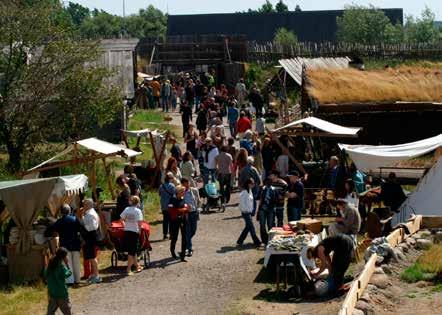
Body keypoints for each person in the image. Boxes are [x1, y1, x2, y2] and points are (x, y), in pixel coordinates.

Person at [51, 204, 81, 285]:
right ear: (69, 211)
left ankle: (70, 281)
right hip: (75, 243)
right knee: (76, 263)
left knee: (68, 264)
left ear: (61, 212)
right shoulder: (75, 219)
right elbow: (80, 230)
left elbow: (54, 231)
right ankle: (77, 279)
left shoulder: (59, 221)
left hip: (65, 245)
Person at [78, 199, 101, 283]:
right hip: (90, 238)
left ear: (88, 205)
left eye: (84, 204)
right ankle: (94, 275)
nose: (83, 206)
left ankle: (97, 276)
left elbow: (91, 228)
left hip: (91, 238)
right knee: (91, 257)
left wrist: (81, 221)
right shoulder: (89, 213)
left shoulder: (90, 214)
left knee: (92, 257)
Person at [120, 196, 144, 275]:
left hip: (127, 231)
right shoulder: (138, 211)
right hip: (134, 231)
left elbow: (121, 219)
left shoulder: (127, 209)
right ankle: (128, 269)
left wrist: (125, 225)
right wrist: (140, 231)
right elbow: (140, 223)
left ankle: (137, 265)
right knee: (131, 251)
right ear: (138, 203)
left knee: (133, 250)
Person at [45, 247, 73, 315]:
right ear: (63, 257)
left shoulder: (50, 265)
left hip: (52, 292)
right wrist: (67, 265)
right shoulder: (60, 266)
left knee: (50, 312)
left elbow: (45, 275)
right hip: (61, 293)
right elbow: (67, 274)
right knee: (67, 311)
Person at [237, 178, 261, 247]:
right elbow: (241, 203)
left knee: (248, 227)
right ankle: (257, 242)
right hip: (245, 212)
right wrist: (246, 210)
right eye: (252, 184)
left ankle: (240, 240)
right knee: (251, 228)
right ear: (248, 184)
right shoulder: (244, 193)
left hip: (248, 212)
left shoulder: (249, 191)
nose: (253, 185)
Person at [168, 185, 189, 261]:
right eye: (183, 192)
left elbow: (186, 208)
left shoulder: (183, 198)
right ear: (179, 192)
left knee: (184, 237)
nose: (184, 193)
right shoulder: (172, 199)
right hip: (174, 221)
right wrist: (182, 210)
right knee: (175, 237)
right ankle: (172, 251)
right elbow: (171, 210)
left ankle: (183, 256)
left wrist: (184, 209)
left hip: (183, 220)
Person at [181, 178, 200, 257]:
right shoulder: (181, 192)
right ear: (182, 184)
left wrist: (198, 208)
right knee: (188, 231)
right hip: (186, 214)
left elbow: (198, 200)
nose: (187, 184)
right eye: (185, 183)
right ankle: (189, 249)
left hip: (194, 212)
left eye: (188, 183)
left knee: (194, 230)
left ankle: (185, 243)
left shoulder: (194, 190)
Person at [258, 179, 277, 245]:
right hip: (262, 209)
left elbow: (276, 200)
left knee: (270, 225)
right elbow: (259, 198)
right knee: (262, 225)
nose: (268, 183)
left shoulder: (274, 190)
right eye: (267, 182)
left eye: (269, 182)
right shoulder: (262, 189)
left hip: (271, 209)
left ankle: (270, 239)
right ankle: (264, 240)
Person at [159, 172, 176, 239]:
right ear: (170, 179)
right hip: (170, 205)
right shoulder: (172, 186)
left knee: (165, 220)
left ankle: (165, 234)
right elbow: (174, 195)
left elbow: (160, 194)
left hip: (164, 205)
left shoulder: (161, 186)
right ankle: (171, 234)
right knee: (171, 220)